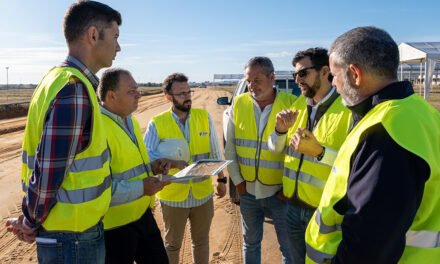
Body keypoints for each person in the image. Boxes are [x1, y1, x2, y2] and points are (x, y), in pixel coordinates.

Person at [305, 26, 440, 263]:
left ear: (354, 74)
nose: (333, 84)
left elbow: (366, 247)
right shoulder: (421, 112)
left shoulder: (385, 132)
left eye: (334, 75)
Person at [6, 1, 121, 263]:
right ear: (93, 35)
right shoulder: (75, 90)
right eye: (114, 36)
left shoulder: (55, 80)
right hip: (74, 239)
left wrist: (30, 218)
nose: (118, 46)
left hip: (67, 236)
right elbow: (48, 171)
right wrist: (31, 221)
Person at [267, 48, 352, 263]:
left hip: (324, 215)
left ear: (325, 72)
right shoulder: (298, 106)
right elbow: (276, 149)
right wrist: (279, 131)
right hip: (292, 208)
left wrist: (320, 153)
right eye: (295, 75)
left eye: (303, 73)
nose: (297, 80)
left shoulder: (349, 111)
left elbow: (356, 165)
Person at [144, 73, 227, 264]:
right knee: (172, 245)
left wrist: (222, 180)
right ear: (168, 97)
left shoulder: (203, 117)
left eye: (189, 91)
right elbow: (147, 157)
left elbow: (215, 152)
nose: (187, 96)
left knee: (201, 241)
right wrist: (170, 163)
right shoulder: (157, 123)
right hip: (173, 196)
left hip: (202, 194)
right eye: (181, 93)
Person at [224, 56, 297, 264]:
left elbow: (297, 154)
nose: (251, 86)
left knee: (289, 249)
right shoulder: (239, 103)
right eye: (248, 80)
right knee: (251, 244)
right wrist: (238, 182)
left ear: (272, 77)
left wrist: (288, 188)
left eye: (257, 80)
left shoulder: (291, 104)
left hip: (280, 194)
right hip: (248, 192)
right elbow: (230, 148)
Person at [97, 68, 170, 263]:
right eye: (131, 91)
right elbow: (98, 188)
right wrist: (143, 187)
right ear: (111, 96)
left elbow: (133, 165)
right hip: (115, 227)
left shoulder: (130, 120)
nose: (139, 94)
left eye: (137, 89)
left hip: (142, 214)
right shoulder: (97, 129)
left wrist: (153, 167)